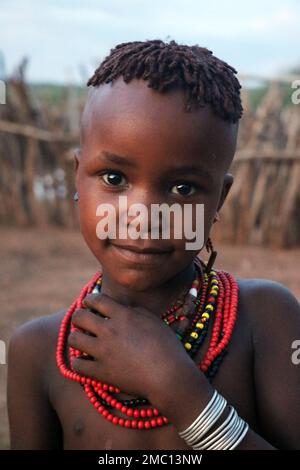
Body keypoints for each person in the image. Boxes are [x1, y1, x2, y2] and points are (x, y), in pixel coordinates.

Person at [7, 39, 300, 450]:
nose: (143, 216)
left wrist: (180, 391)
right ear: (77, 177)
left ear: (219, 200)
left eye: (183, 188)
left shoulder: (267, 319)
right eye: (113, 179)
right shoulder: (36, 352)